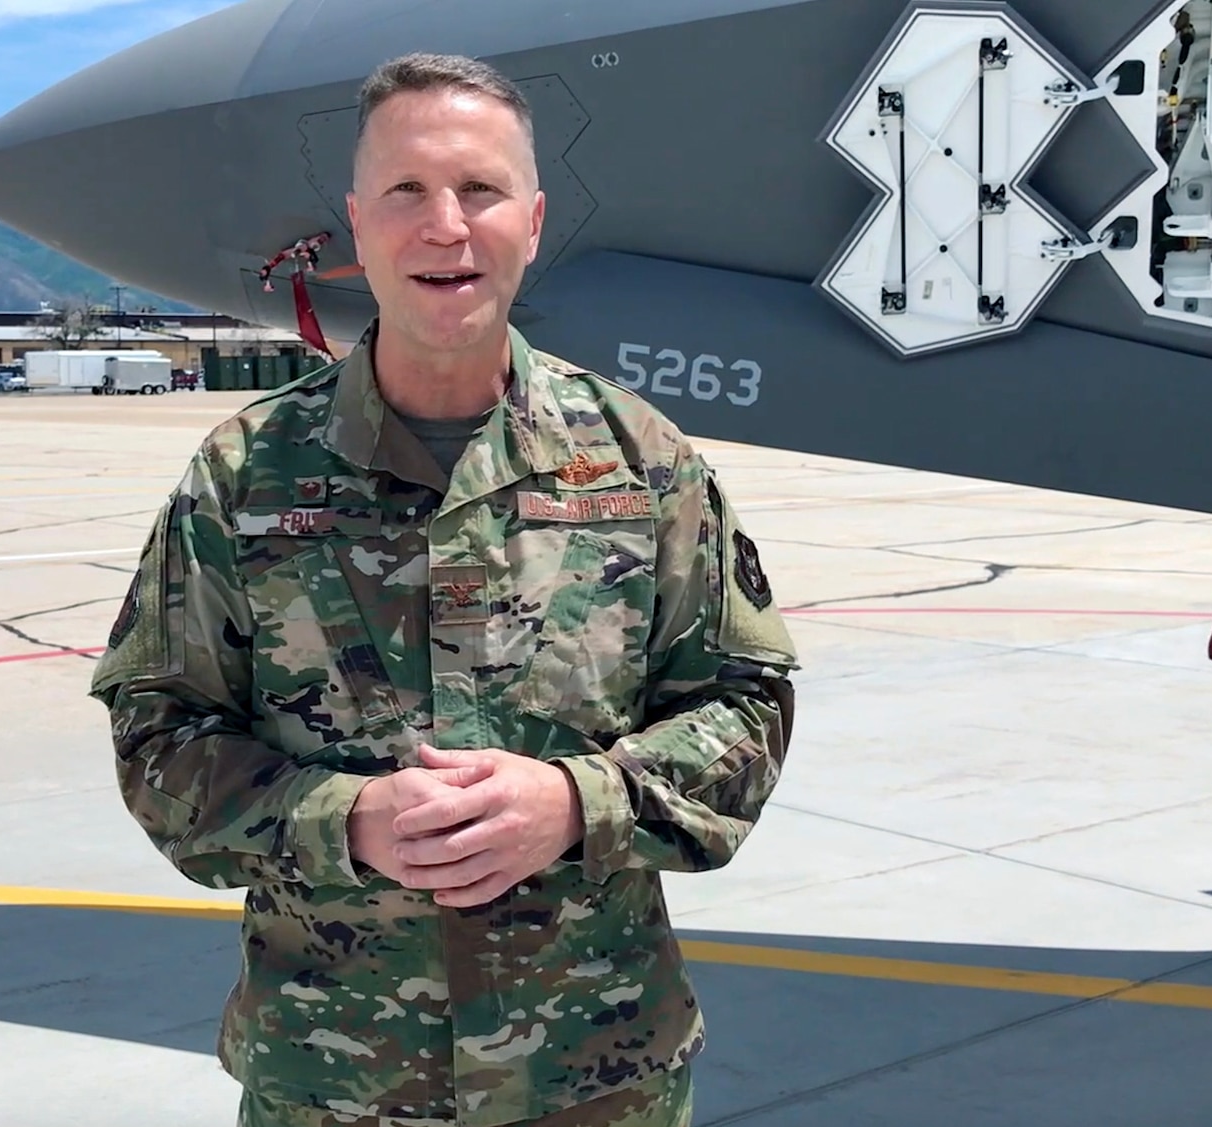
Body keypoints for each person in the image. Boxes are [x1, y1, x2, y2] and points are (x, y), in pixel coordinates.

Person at [89, 51, 798, 1127]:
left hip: (595, 1077)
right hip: (333, 1081)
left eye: (479, 190)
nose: (445, 226)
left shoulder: (642, 463)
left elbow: (746, 710)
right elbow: (155, 735)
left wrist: (572, 803)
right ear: (356, 223)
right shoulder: (243, 477)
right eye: (407, 192)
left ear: (532, 217)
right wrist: (346, 818)